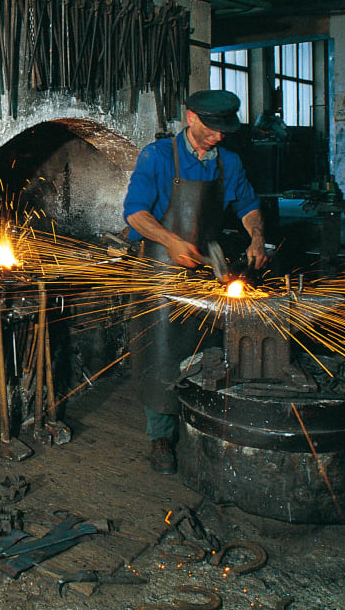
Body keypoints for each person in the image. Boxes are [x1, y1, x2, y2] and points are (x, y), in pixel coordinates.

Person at [122, 89, 267, 474]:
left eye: (223, 131)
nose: (217, 137)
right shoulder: (157, 157)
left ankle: (202, 425)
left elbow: (248, 206)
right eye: (211, 130)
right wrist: (171, 241)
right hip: (161, 271)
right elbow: (135, 214)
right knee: (163, 355)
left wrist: (255, 237)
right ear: (190, 118)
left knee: (211, 351)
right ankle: (160, 437)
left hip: (208, 270)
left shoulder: (228, 163)